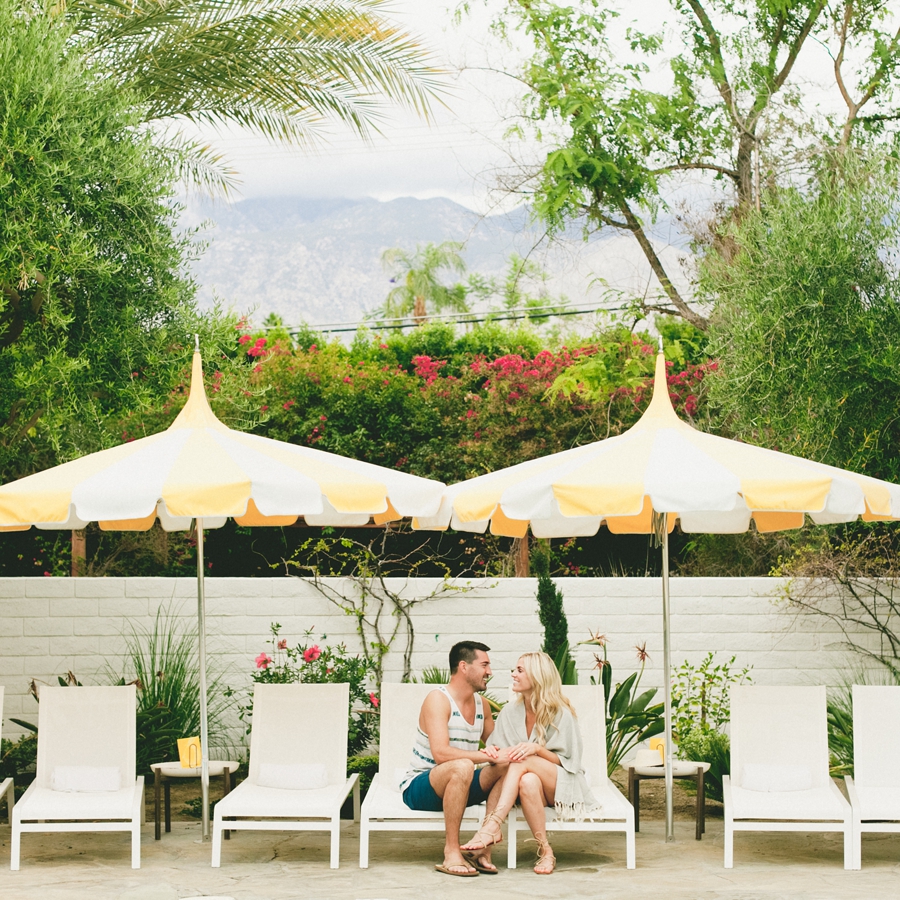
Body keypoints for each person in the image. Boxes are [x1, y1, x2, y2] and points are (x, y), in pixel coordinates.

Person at [461, 650, 597, 875]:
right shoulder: (509, 712)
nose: (513, 674)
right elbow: (500, 757)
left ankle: (492, 827)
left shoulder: (560, 712)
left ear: (537, 676)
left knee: (522, 761)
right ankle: (546, 851)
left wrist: (537, 749)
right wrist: (494, 751)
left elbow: (569, 762)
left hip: (561, 784)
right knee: (527, 780)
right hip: (525, 786)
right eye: (514, 669)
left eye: (520, 670)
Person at [400, 640, 506, 877]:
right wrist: (480, 756)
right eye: (485, 665)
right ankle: (451, 851)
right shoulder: (438, 699)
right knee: (462, 766)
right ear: (464, 667)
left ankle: (483, 848)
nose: (490, 672)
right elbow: (441, 754)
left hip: (462, 785)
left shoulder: (483, 706)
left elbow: (500, 748)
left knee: (504, 766)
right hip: (422, 786)